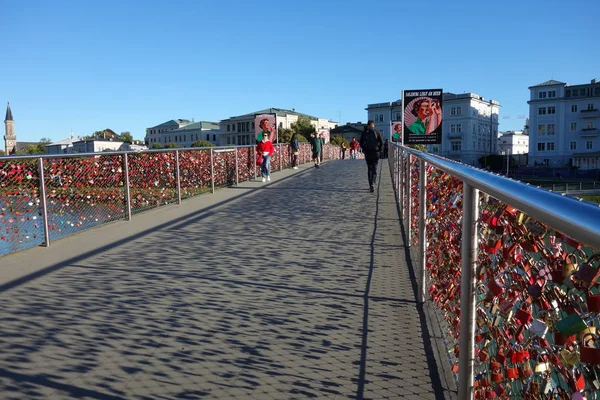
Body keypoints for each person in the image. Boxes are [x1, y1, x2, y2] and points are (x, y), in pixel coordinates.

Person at [360, 120, 383, 192]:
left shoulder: (364, 133)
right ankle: (373, 182)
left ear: (368, 125)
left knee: (369, 168)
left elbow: (360, 143)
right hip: (375, 152)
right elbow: (381, 142)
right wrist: (380, 150)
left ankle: (370, 184)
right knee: (374, 168)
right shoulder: (377, 132)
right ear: (373, 125)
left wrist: (364, 149)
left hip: (368, 153)